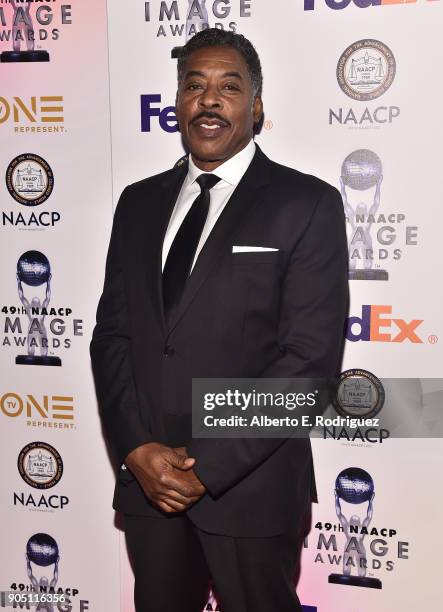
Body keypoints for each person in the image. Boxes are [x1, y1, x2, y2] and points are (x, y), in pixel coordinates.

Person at [90, 28, 348, 612]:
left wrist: (205, 466)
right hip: (148, 488)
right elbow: (113, 337)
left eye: (229, 87)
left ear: (256, 107)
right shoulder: (137, 202)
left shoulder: (305, 203)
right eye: (194, 86)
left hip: (251, 489)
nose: (209, 100)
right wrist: (136, 448)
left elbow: (308, 362)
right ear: (177, 103)